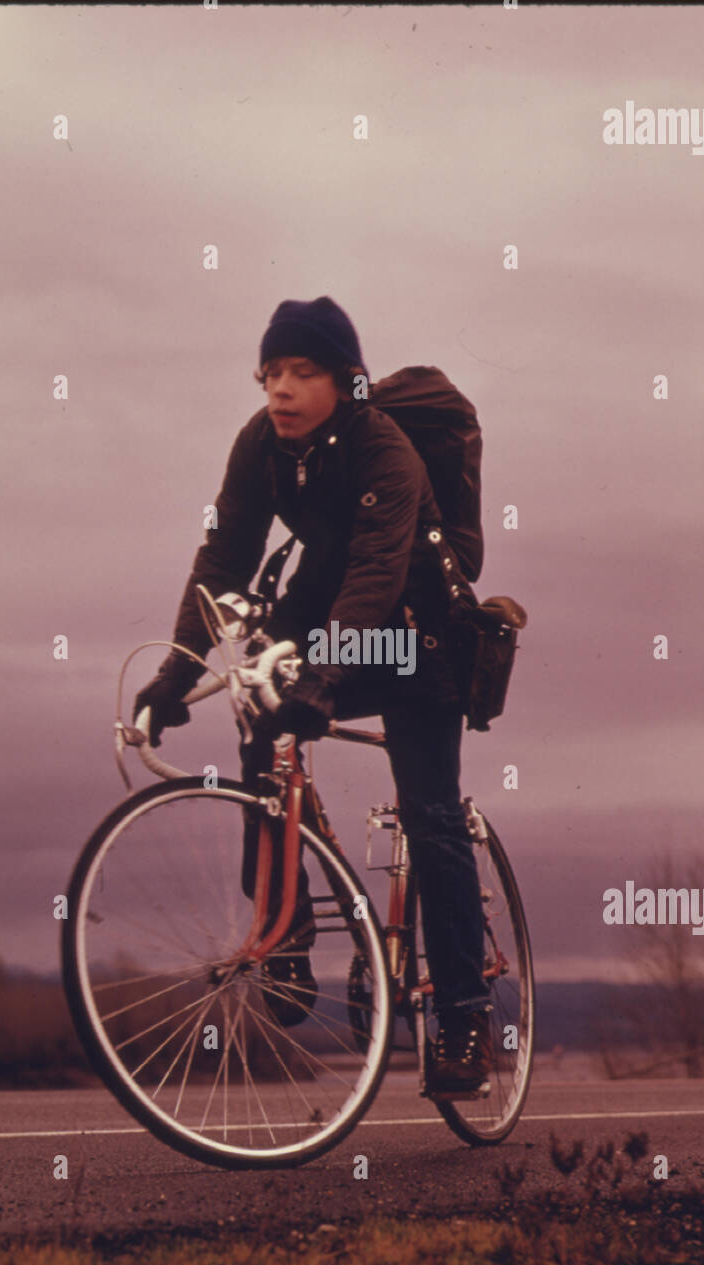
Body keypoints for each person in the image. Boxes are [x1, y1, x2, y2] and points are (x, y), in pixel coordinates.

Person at [134, 296, 493, 1094]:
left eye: (302, 372)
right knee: (258, 710)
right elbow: (222, 559)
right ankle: (285, 924)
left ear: (347, 382)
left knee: (430, 807)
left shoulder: (385, 449)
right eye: (270, 374)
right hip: (331, 607)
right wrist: (176, 675)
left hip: (418, 626)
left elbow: (377, 571)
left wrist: (325, 679)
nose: (281, 391)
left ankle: (466, 1021)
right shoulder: (261, 444)